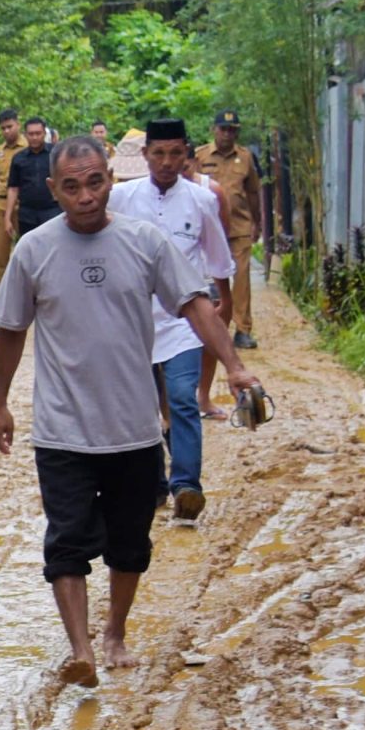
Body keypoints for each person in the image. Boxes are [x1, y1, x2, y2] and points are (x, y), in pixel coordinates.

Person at [0, 136, 258, 684]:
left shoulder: (145, 242)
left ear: (111, 180)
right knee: (65, 542)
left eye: (94, 183)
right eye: (71, 187)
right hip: (61, 431)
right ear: (53, 189)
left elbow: (196, 306)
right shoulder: (34, 250)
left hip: (134, 429)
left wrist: (233, 366)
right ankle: (82, 649)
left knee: (130, 543)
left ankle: (114, 632)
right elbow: (11, 330)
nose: (85, 196)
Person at [108, 120, 234, 518]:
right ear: (145, 155)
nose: (166, 162)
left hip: (184, 319)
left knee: (181, 397)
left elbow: (218, 258)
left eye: (175, 153)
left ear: (187, 156)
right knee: (141, 406)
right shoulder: (120, 198)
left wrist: (225, 302)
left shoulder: (202, 200)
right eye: (158, 153)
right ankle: (154, 484)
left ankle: (187, 485)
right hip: (134, 320)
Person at [195, 110, 264, 351]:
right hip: (208, 227)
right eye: (223, 129)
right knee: (210, 277)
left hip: (238, 226)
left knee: (242, 277)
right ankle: (207, 326)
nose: (227, 134)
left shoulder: (245, 157)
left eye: (232, 130)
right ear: (214, 130)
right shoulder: (200, 156)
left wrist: (256, 222)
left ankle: (243, 329)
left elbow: (253, 192)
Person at [6, 117, 60, 243]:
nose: (34, 137)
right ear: (25, 135)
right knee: (29, 248)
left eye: (38, 133)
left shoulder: (56, 154)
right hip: (27, 214)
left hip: (52, 211)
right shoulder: (18, 158)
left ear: (44, 134)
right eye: (31, 134)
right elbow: (13, 188)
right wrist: (7, 217)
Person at [0, 109, 25, 283]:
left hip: (23, 203)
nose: (6, 131)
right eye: (3, 128)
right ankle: (2, 292)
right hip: (1, 204)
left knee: (26, 250)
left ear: (18, 124)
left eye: (10, 126)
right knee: (1, 255)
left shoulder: (28, 147)